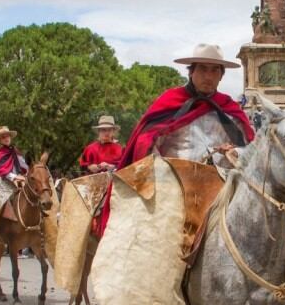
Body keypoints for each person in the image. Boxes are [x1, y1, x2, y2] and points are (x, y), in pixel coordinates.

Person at [98, 44, 255, 237]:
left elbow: (252, 151)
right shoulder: (170, 101)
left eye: (215, 70)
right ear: (191, 72)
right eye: (203, 69)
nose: (209, 75)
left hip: (220, 189)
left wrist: (234, 152)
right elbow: (145, 143)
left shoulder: (230, 109)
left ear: (222, 75)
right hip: (173, 188)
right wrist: (167, 171)